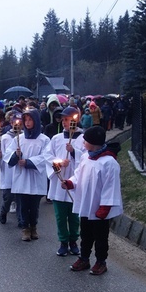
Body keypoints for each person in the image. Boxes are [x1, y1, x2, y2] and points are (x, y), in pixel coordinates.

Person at [62, 125, 122, 275]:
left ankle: (101, 261)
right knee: (86, 234)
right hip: (86, 204)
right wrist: (70, 183)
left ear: (94, 143)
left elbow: (111, 186)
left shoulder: (109, 163)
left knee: (101, 236)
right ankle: (84, 258)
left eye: (85, 141)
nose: (83, 143)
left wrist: (105, 207)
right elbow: (78, 175)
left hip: (99, 208)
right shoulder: (85, 157)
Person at [4, 108, 51, 241]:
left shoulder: (44, 140)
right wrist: (16, 155)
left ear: (36, 121)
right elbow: (8, 155)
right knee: (23, 205)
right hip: (22, 178)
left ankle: (33, 227)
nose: (28, 122)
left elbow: (46, 157)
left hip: (35, 177)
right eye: (26, 120)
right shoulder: (19, 139)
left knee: (34, 206)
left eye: (30, 120)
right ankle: (25, 228)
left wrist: (29, 162)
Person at [46, 107, 85, 256]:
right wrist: (59, 163)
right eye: (63, 119)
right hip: (59, 183)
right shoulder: (56, 139)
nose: (64, 122)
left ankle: (74, 241)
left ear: (75, 120)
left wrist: (74, 153)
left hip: (74, 184)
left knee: (74, 216)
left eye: (67, 119)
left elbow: (86, 158)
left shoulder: (82, 138)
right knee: (60, 216)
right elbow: (48, 156)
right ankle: (63, 242)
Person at [0, 111, 21, 225]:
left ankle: (21, 220)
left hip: (20, 171)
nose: (17, 125)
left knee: (20, 198)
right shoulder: (4, 138)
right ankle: (4, 211)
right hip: (8, 172)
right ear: (11, 123)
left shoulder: (24, 137)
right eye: (15, 122)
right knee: (8, 197)